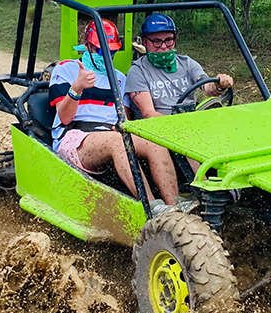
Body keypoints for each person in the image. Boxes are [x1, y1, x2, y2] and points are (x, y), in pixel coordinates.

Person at [48, 18, 180, 208]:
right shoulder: (66, 69)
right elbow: (64, 117)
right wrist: (77, 87)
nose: (107, 55)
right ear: (87, 46)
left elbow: (124, 118)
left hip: (111, 133)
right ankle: (153, 208)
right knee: (118, 142)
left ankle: (174, 207)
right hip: (75, 137)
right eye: (102, 51)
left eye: (112, 51)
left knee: (155, 142)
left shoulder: (119, 78)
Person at [125, 13, 234, 118]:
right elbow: (149, 114)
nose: (163, 46)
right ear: (145, 42)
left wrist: (219, 85)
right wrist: (180, 125)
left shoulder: (187, 63)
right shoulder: (137, 71)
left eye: (168, 40)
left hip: (189, 118)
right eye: (156, 41)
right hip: (156, 126)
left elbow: (208, 87)